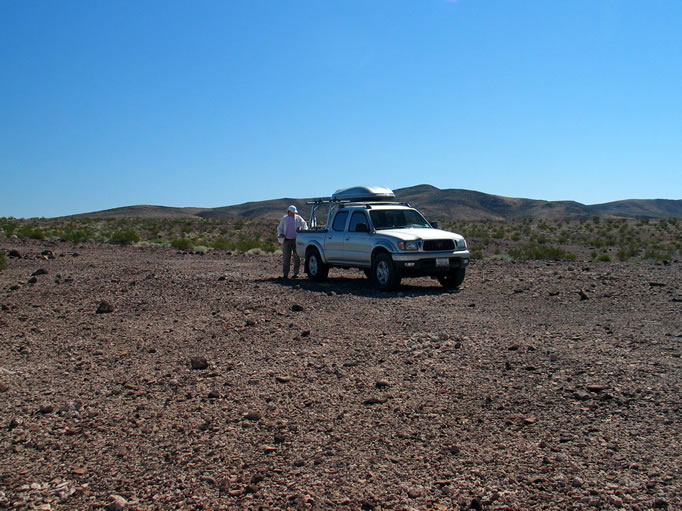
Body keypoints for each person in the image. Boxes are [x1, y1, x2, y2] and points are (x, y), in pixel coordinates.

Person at [277, 205, 308, 279]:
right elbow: (279, 228)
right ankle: (285, 274)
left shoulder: (298, 218)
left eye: (294, 212)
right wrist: (280, 234)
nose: (294, 213)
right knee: (286, 258)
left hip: (296, 240)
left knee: (297, 257)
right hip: (287, 241)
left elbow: (304, 225)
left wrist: (304, 231)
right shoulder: (284, 219)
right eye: (292, 212)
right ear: (289, 212)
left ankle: (296, 273)